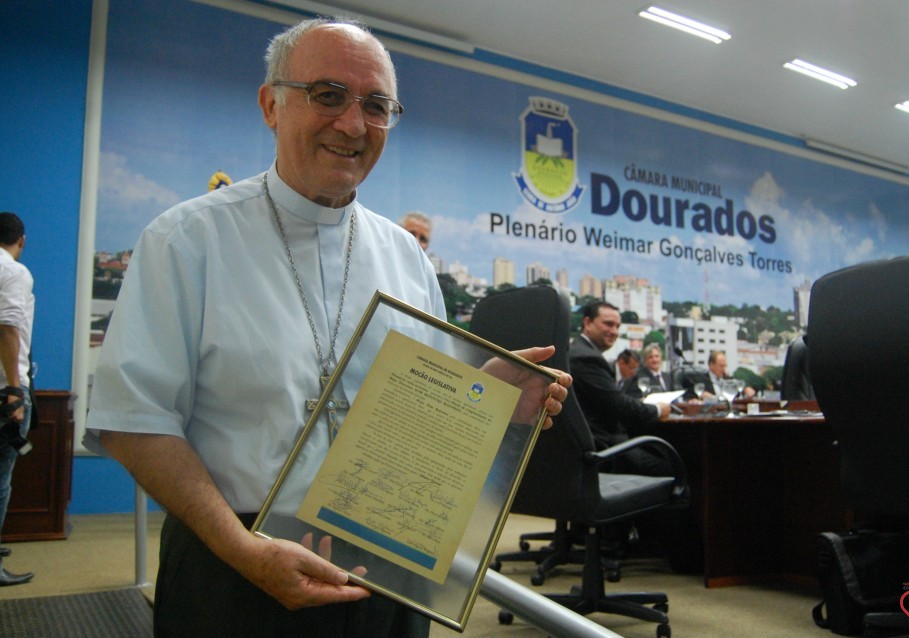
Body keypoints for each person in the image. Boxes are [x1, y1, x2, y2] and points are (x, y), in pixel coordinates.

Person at [82, 18, 570, 638]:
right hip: (231, 562)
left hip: (386, 563)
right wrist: (243, 550)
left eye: (377, 106)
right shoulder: (185, 240)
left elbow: (421, 430)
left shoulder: (407, 258)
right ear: (271, 105)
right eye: (328, 95)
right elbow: (136, 422)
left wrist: (485, 398)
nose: (353, 125)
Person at [569, 301, 672, 476]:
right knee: (674, 467)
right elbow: (618, 405)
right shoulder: (586, 357)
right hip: (603, 450)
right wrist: (657, 409)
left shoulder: (579, 351)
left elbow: (606, 400)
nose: (615, 331)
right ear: (587, 323)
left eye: (617, 326)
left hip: (595, 446)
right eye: (608, 324)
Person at [0, 212, 34, 587]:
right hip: (4, 389)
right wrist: (13, 390)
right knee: (0, 478)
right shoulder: (14, 272)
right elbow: (8, 326)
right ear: (21, 240)